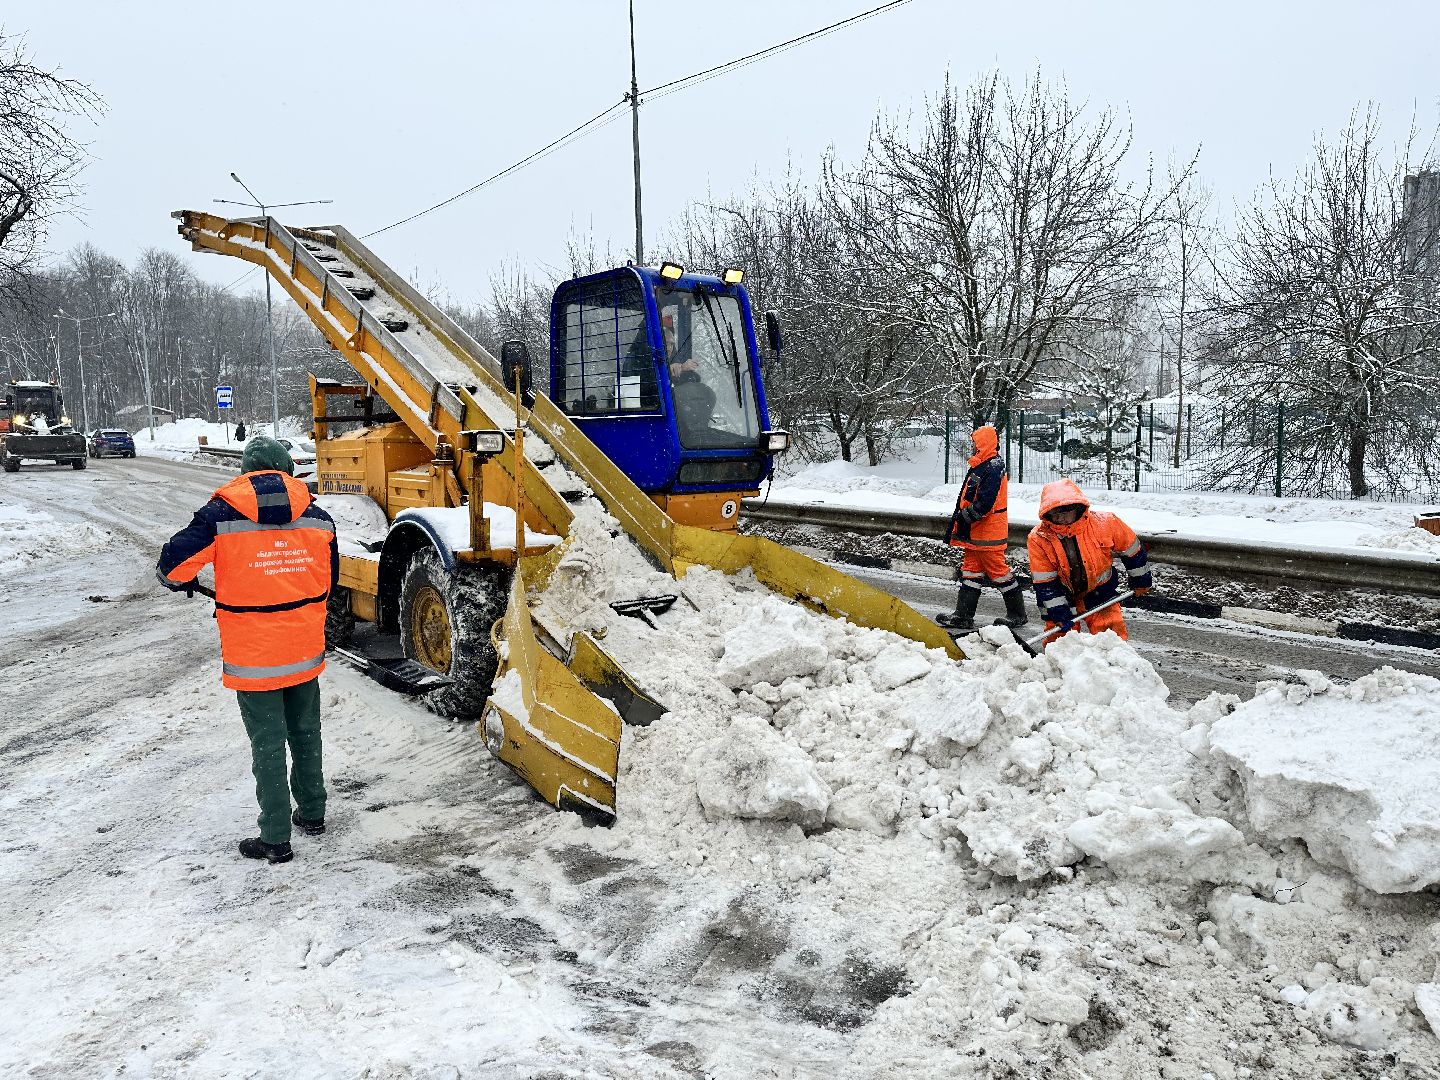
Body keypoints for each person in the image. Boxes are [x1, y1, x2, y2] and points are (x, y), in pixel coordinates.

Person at [156, 436, 338, 864]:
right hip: (304, 646)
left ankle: (275, 837)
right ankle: (312, 812)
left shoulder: (220, 515)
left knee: (268, 743)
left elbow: (173, 565)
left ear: (245, 471)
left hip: (254, 653)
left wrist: (180, 581)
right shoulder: (319, 515)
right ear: (288, 470)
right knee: (306, 731)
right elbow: (331, 578)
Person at [1026, 478, 1152, 643]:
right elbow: (1045, 580)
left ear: (1078, 508)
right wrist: (1057, 610)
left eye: (1066, 512)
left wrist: (1140, 579)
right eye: (1056, 514)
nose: (1061, 518)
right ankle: (1058, 666)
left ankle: (1113, 667)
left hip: (1100, 591)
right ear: (1047, 514)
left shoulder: (1106, 523)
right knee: (1061, 643)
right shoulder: (1039, 538)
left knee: (1110, 640)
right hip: (1061, 595)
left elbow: (1132, 550)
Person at [937, 424, 1027, 632]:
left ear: (983, 443)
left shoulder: (992, 467)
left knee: (998, 572)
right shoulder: (984, 464)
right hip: (977, 532)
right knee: (970, 571)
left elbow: (986, 502)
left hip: (987, 532)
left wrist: (965, 518)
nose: (971, 446)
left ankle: (1017, 614)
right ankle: (963, 616)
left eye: (974, 443)